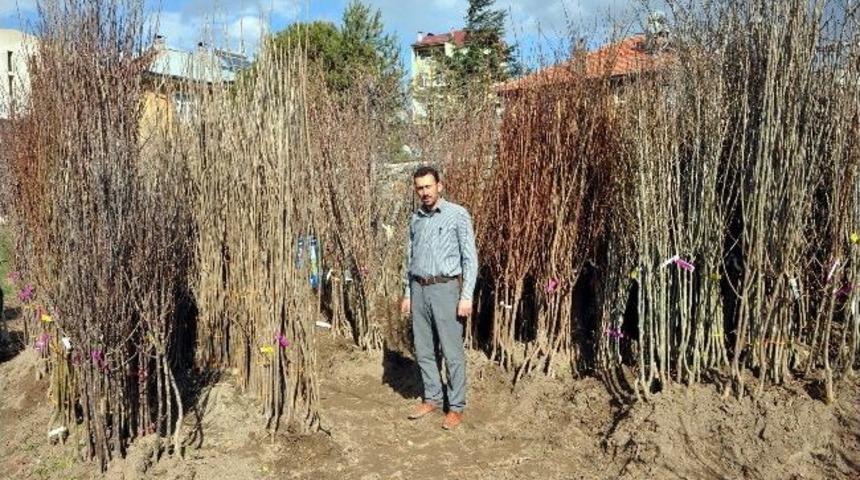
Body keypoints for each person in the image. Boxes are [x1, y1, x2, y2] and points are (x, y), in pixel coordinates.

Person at [400, 165, 478, 430]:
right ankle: (432, 397)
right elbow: (408, 259)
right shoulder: (415, 219)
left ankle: (456, 406)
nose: (424, 192)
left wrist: (466, 296)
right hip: (419, 289)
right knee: (424, 349)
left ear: (439, 186)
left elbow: (470, 258)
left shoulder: (457, 215)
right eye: (419, 188)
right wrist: (408, 292)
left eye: (428, 186)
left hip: (446, 289)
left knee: (452, 351)